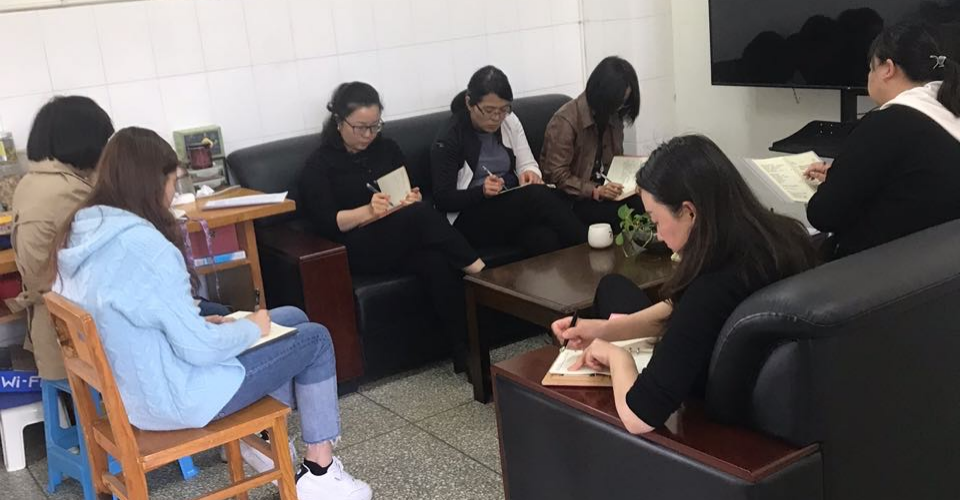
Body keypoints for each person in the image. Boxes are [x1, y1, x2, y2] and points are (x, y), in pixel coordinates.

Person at [49, 128, 371, 500]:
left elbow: (134, 319)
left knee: (292, 317)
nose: (172, 195)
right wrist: (250, 329)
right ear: (151, 183)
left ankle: (261, 442)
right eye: (172, 183)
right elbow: (199, 350)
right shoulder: (145, 247)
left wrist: (203, 322)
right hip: (181, 398)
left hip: (136, 394)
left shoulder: (81, 236)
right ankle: (319, 472)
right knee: (314, 339)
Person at [551, 135, 817, 434]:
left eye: (656, 220)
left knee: (610, 296)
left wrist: (615, 355)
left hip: (710, 417)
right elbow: (682, 309)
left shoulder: (710, 290)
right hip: (790, 398)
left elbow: (638, 417)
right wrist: (604, 330)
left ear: (690, 212)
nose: (658, 235)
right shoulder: (784, 238)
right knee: (613, 287)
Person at [300, 81, 484, 371]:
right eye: (360, 127)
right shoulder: (320, 164)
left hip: (398, 237)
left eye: (375, 126)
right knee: (420, 216)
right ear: (338, 121)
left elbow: (407, 189)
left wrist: (410, 197)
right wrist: (367, 211)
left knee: (435, 261)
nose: (368, 135)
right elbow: (327, 221)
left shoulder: (387, 149)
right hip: (357, 246)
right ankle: (482, 272)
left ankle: (465, 351)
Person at [805, 23, 960, 260]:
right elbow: (913, 182)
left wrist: (830, 187)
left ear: (888, 68)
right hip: (936, 267)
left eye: (871, 68)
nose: (869, 77)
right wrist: (841, 176)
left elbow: (823, 215)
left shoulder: (887, 123)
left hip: (876, 268)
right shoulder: (948, 112)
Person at [431, 65, 586, 257]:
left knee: (544, 238)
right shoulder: (449, 137)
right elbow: (443, 199)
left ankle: (585, 272)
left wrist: (529, 174)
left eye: (503, 110)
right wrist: (481, 192)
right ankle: (590, 245)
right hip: (468, 217)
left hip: (507, 209)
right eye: (489, 110)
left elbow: (527, 163)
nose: (496, 118)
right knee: (536, 196)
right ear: (470, 103)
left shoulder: (510, 121)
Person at [11, 96, 114, 381]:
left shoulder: (32, 182)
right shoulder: (68, 192)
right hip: (76, 340)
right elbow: (111, 260)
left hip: (52, 329)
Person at [540, 56, 645, 232]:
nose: (620, 108)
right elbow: (556, 175)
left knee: (646, 202)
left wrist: (634, 180)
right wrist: (595, 190)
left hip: (604, 191)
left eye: (624, 103)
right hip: (574, 199)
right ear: (603, 95)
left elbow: (615, 161)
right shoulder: (566, 121)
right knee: (618, 215)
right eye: (618, 103)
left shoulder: (613, 117)